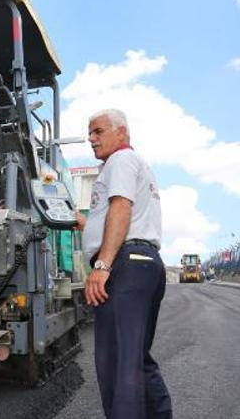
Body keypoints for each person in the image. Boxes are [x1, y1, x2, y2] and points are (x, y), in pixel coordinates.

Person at [77, 109, 172, 418]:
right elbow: (109, 216)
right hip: (144, 263)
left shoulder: (120, 160)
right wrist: (78, 223)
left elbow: (121, 207)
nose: (91, 138)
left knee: (117, 363)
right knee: (136, 359)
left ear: (121, 133)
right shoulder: (133, 164)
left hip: (125, 265)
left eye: (98, 131)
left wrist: (102, 266)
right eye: (90, 132)